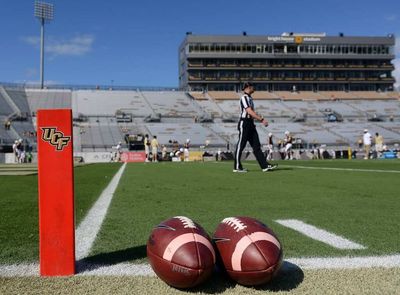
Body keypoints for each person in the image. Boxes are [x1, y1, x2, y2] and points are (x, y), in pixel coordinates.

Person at [233, 82, 277, 173]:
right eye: (253, 86)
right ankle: (237, 167)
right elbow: (249, 111)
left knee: (256, 146)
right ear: (248, 87)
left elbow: (251, 113)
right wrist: (261, 119)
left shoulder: (249, 98)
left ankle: (264, 165)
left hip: (250, 123)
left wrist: (257, 118)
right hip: (244, 123)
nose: (254, 88)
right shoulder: (244, 97)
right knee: (241, 145)